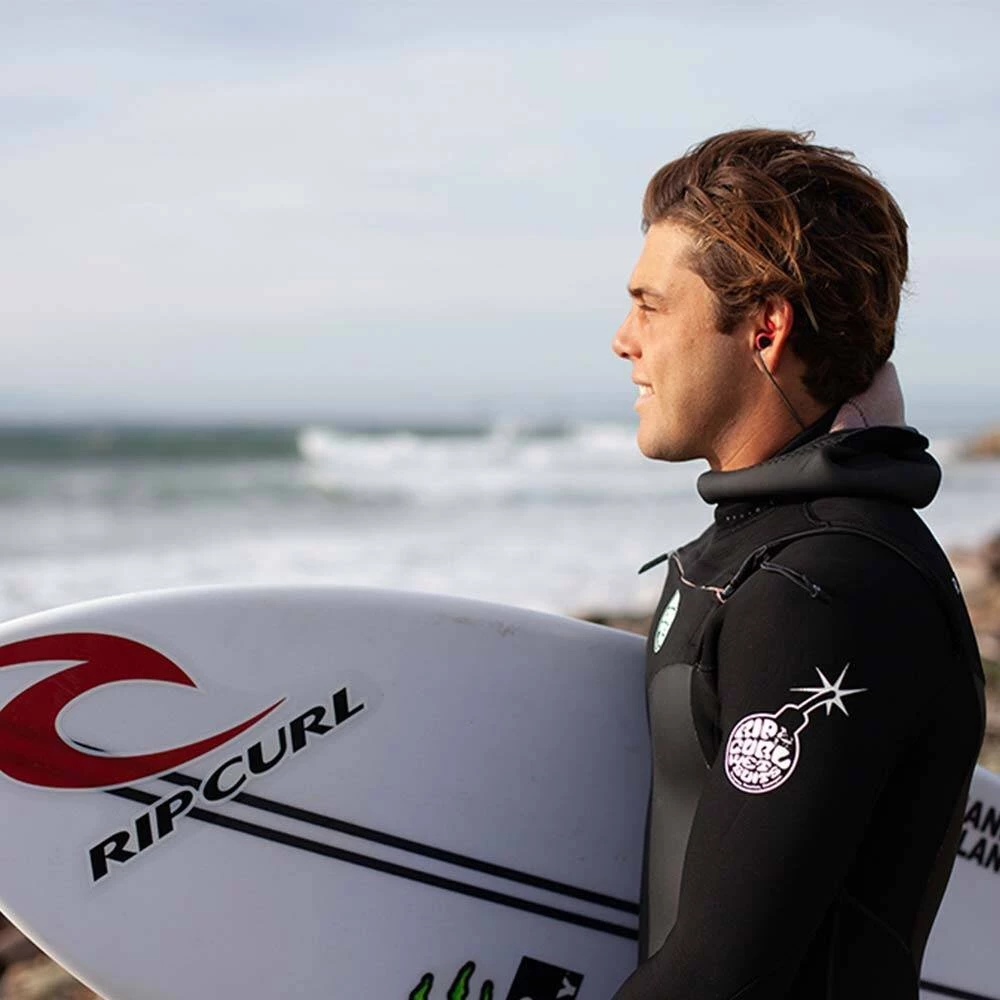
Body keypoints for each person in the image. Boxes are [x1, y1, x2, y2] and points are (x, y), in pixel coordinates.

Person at [609, 129, 984, 999]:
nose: (624, 339)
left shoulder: (825, 591)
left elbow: (718, 980)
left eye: (651, 306)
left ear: (765, 328)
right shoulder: (768, 552)